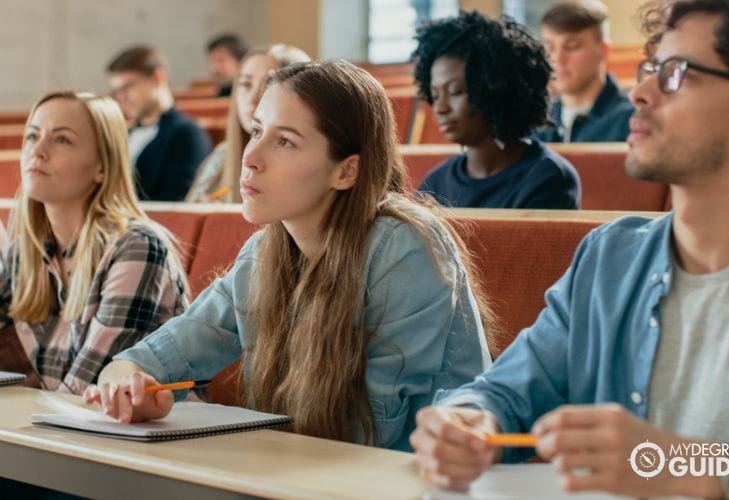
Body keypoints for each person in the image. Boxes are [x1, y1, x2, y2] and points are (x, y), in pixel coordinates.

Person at [410, 0, 729, 497]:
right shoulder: (610, 257)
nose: (640, 93)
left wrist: (671, 462)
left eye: (676, 74)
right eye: (649, 70)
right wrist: (466, 423)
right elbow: (503, 391)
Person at [85, 60, 493, 452]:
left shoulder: (403, 248)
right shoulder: (265, 251)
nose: (249, 156)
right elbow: (158, 354)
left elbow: (371, 439)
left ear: (346, 171)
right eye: (256, 130)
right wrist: (130, 382)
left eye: (283, 141)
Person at [0, 91, 188, 395]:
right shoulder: (27, 251)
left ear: (102, 166)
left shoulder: (138, 247)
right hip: (65, 431)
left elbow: (86, 392)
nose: (38, 151)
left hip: (146, 437)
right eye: (32, 136)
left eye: (62, 140)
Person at [412, 11, 580, 209]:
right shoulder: (435, 185)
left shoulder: (548, 178)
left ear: (496, 90)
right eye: (435, 95)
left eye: (455, 91)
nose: (440, 108)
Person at [186, 44, 311, 203]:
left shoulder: (305, 161)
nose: (251, 100)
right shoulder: (223, 155)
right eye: (245, 84)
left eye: (267, 86)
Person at [107, 46, 212, 201]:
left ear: (157, 78)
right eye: (116, 91)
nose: (121, 97)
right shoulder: (124, 133)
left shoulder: (187, 134)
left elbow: (176, 203)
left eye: (127, 87)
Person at [534, 0, 634, 143]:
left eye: (572, 46)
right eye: (549, 47)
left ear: (603, 51)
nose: (558, 59)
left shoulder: (631, 121)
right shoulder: (537, 123)